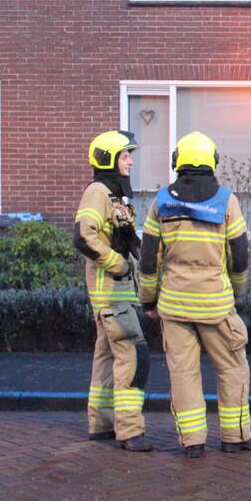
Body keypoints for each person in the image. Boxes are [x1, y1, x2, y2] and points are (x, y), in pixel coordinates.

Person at [137, 131, 251, 458]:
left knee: (183, 374)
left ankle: (192, 442)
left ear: (177, 162)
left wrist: (148, 299)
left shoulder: (161, 202)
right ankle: (235, 437)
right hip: (216, 305)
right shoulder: (226, 201)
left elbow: (149, 259)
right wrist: (238, 292)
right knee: (233, 368)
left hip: (175, 306)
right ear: (212, 161)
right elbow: (240, 255)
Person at [74, 130, 152, 452]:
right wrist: (116, 264)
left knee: (107, 357)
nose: (131, 161)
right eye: (124, 155)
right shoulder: (98, 191)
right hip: (112, 292)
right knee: (135, 357)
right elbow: (83, 235)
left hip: (120, 292)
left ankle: (102, 424)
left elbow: (128, 238)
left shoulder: (117, 195)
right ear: (108, 158)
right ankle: (130, 431)